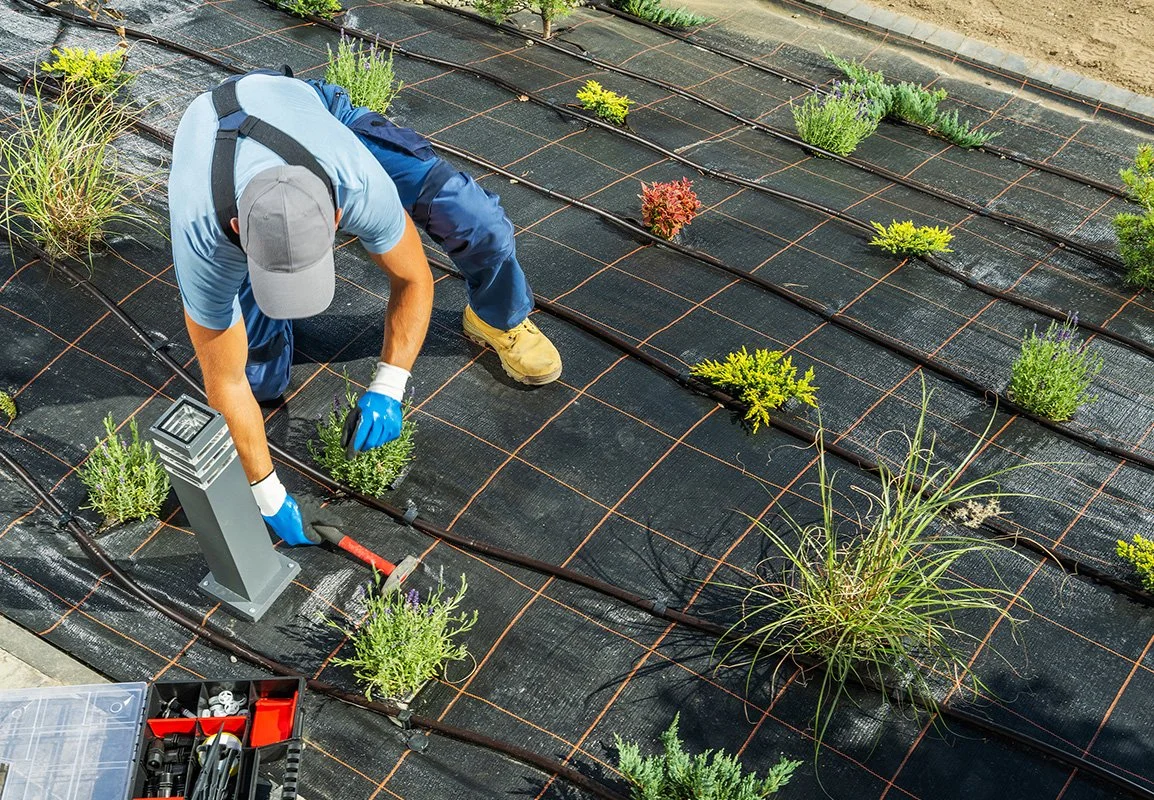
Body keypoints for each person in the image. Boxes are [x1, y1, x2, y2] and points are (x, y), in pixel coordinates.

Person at [168, 68, 562, 546]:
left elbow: (414, 277)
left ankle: (496, 316)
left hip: (309, 113)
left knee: (475, 218)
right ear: (236, 231)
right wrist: (268, 493)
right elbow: (223, 380)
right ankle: (271, 322)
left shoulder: (356, 182)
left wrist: (389, 386)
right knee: (255, 381)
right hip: (218, 145)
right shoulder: (202, 237)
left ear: (338, 218)